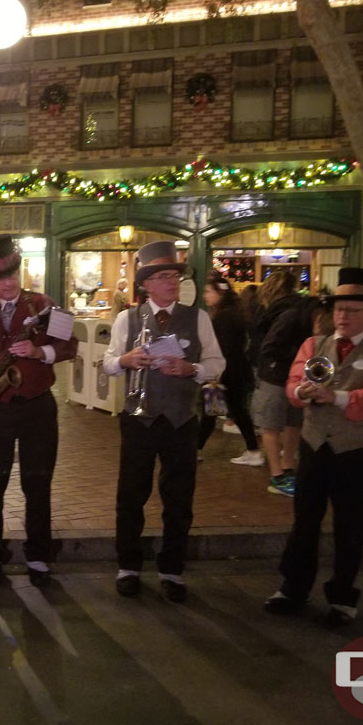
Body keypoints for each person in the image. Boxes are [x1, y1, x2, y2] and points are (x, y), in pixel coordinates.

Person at [265, 267, 363, 627]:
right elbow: (293, 383)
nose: (342, 316)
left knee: (350, 526)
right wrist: (301, 392)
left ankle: (342, 598)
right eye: (338, 309)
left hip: (356, 451)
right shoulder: (314, 345)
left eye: (352, 310)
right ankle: (293, 587)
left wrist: (335, 396)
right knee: (304, 522)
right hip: (313, 446)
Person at [0, 234, 78, 587]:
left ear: (19, 272)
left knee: (37, 483)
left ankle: (38, 556)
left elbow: (70, 345)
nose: (7, 284)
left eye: (11, 275)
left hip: (38, 406)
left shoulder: (42, 304)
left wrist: (40, 354)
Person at [102, 240, 225, 602]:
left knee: (179, 497)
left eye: (175, 275)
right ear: (147, 284)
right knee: (130, 496)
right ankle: (128, 566)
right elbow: (108, 362)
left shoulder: (197, 317)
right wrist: (125, 361)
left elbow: (218, 363)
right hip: (138, 418)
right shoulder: (127, 317)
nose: (172, 282)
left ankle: (172, 569)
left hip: (181, 419)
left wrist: (193, 369)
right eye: (164, 276)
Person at [249, 271, 304, 496]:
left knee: (270, 425)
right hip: (296, 373)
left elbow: (265, 345)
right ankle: (286, 468)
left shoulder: (271, 311)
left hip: (272, 374)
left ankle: (278, 475)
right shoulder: (301, 309)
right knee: (293, 422)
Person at [197, 276, 261, 464]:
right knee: (234, 410)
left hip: (226, 371)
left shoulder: (224, 316)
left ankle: (196, 449)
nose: (205, 295)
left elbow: (225, 347)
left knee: (213, 410)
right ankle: (253, 450)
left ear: (220, 293)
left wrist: (216, 374)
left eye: (209, 291)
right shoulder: (235, 312)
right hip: (236, 370)